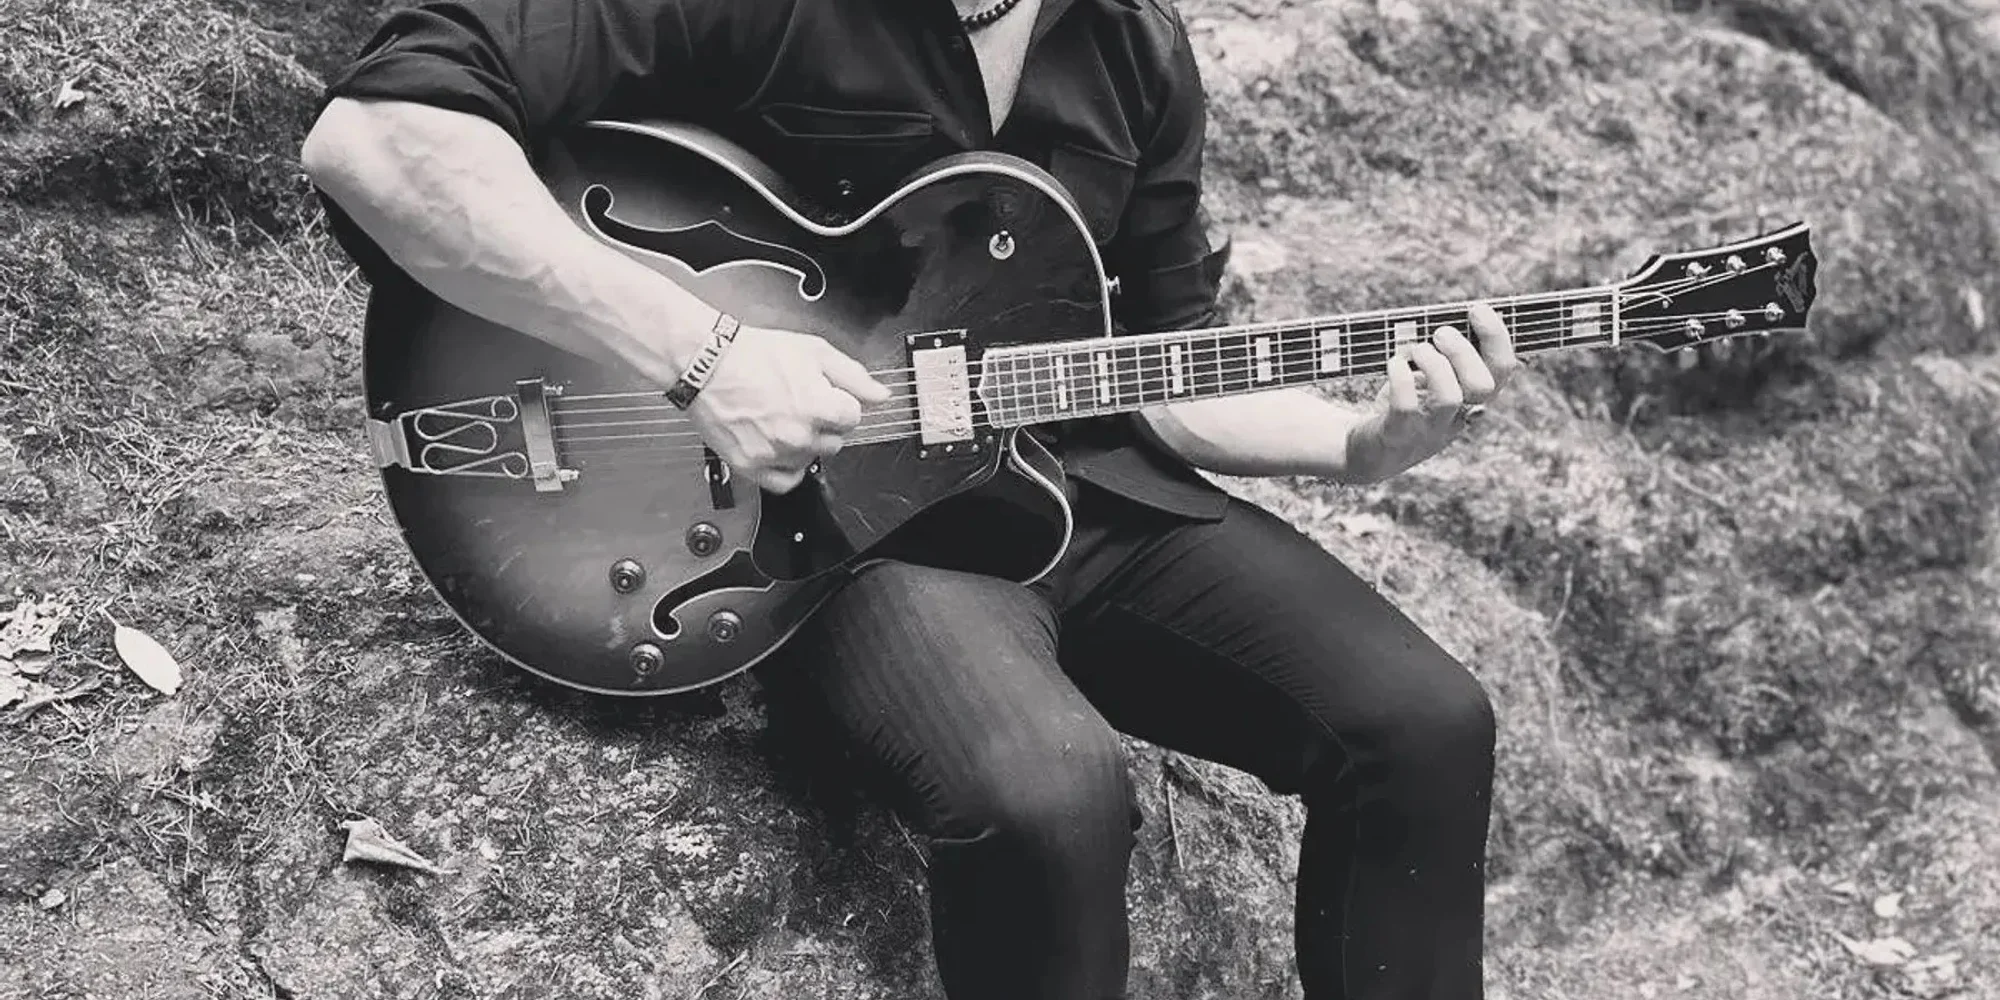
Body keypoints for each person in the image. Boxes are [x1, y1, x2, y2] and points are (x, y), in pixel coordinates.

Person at [300, 1, 1520, 997]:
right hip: (815, 529)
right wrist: (701, 355)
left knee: (1421, 723)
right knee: (1049, 793)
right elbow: (379, 141)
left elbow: (1162, 356)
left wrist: (1356, 443)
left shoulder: (1131, 43)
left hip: (1061, 486)